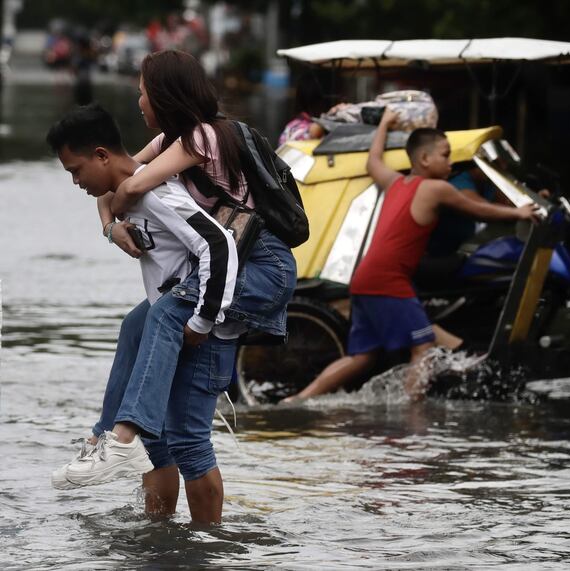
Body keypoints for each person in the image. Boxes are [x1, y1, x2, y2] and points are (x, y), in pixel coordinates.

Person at [52, 51, 296, 522]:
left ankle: (128, 445)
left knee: (185, 426)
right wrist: (111, 226)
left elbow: (128, 186)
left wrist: (202, 321)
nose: (138, 100)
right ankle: (112, 446)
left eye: (142, 92)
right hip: (220, 264)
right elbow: (117, 179)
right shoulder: (170, 140)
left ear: (165, 95)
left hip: (257, 262)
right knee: (137, 325)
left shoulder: (204, 136)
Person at [47, 103, 239, 524]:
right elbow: (108, 198)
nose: (76, 182)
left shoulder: (154, 193)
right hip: (173, 321)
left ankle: (209, 545)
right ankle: (158, 536)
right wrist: (109, 227)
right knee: (158, 443)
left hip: (198, 324)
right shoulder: (128, 194)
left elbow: (219, 244)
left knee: (190, 443)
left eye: (76, 171)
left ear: (101, 155)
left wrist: (203, 320)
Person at [283, 108, 540, 402]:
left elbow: (373, 161)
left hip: (364, 278)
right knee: (424, 347)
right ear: (425, 159)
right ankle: (411, 413)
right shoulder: (435, 188)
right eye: (445, 155)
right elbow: (478, 209)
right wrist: (518, 212)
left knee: (361, 358)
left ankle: (297, 400)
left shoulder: (395, 182)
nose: (450, 162)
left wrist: (383, 124)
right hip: (388, 281)